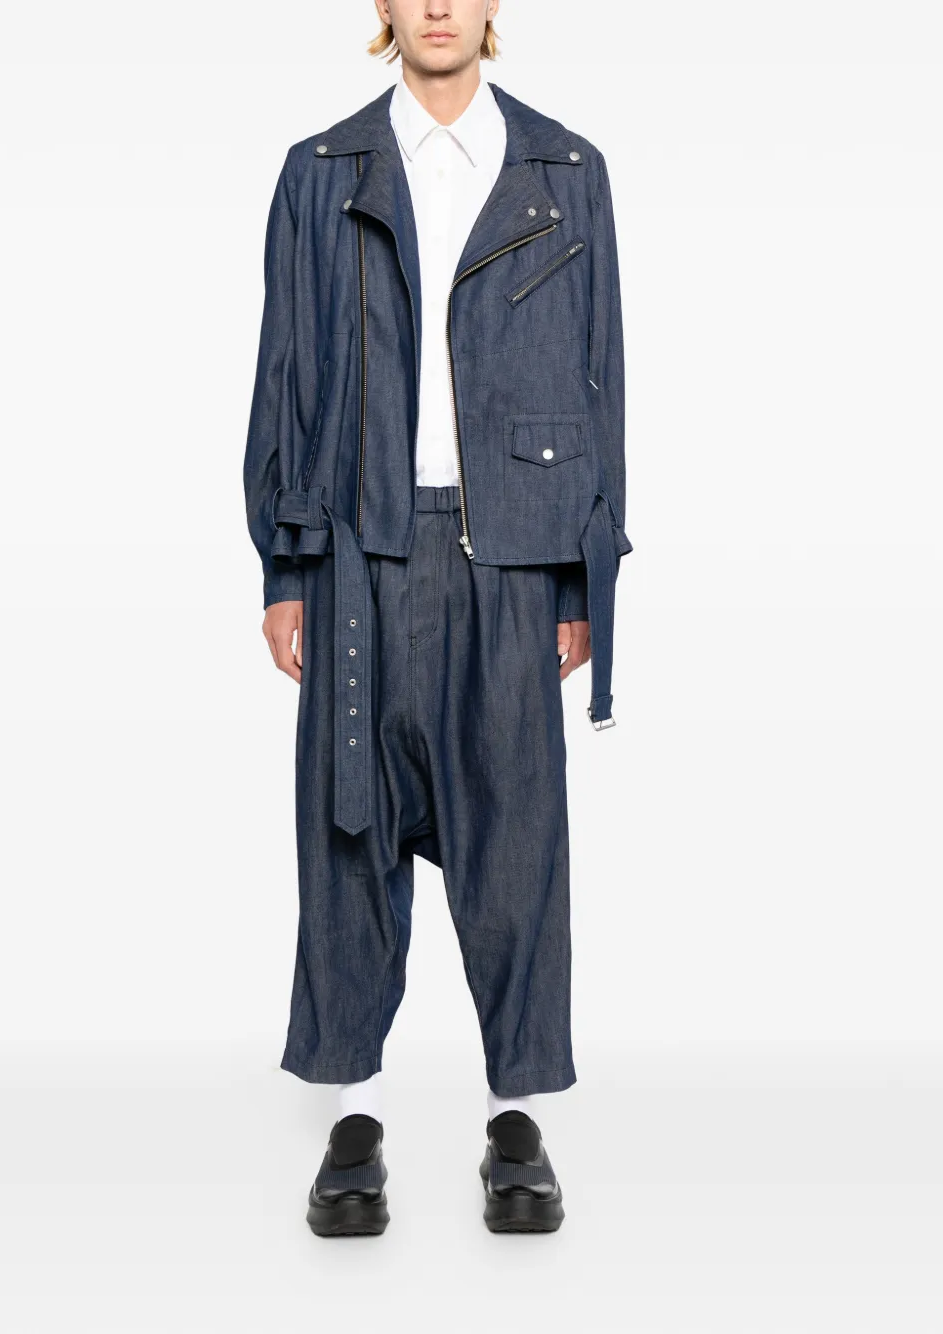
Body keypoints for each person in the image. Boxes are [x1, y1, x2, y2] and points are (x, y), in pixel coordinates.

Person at [243, 0, 630, 1236]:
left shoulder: (566, 167)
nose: (441, 6)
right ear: (384, 7)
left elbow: (599, 379)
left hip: (510, 547)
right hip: (359, 540)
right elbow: (284, 373)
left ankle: (517, 1121)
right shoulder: (321, 171)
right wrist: (287, 566)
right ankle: (351, 1122)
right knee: (347, 837)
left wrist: (583, 576)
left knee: (514, 840)